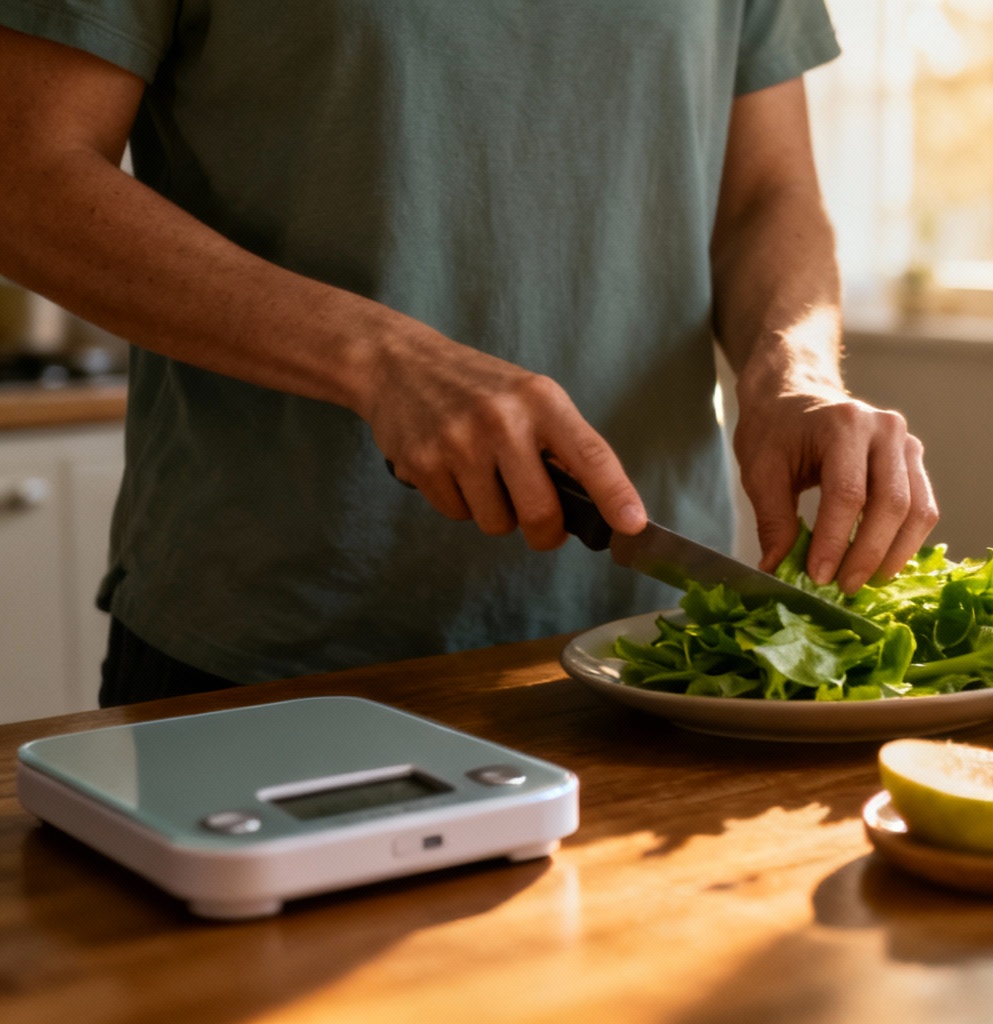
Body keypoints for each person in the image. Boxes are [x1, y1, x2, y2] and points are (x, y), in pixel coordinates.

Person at [0, 2, 938, 705]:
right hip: (271, 653)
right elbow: (25, 173)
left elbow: (767, 192)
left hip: (659, 654)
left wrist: (795, 373)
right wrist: (381, 358)